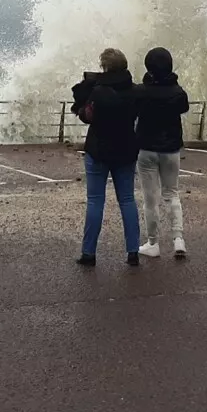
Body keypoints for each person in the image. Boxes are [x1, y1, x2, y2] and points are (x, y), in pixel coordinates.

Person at [71, 48, 141, 267]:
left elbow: (87, 116)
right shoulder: (135, 91)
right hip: (126, 149)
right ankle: (133, 252)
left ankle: (89, 253)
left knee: (95, 201)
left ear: (105, 67)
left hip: (98, 150)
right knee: (127, 200)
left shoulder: (98, 91)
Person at [135, 47, 190, 259]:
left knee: (151, 199)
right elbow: (183, 108)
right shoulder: (178, 93)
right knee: (172, 194)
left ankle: (153, 243)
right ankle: (178, 240)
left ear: (148, 67)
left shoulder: (141, 91)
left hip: (146, 149)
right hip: (171, 149)